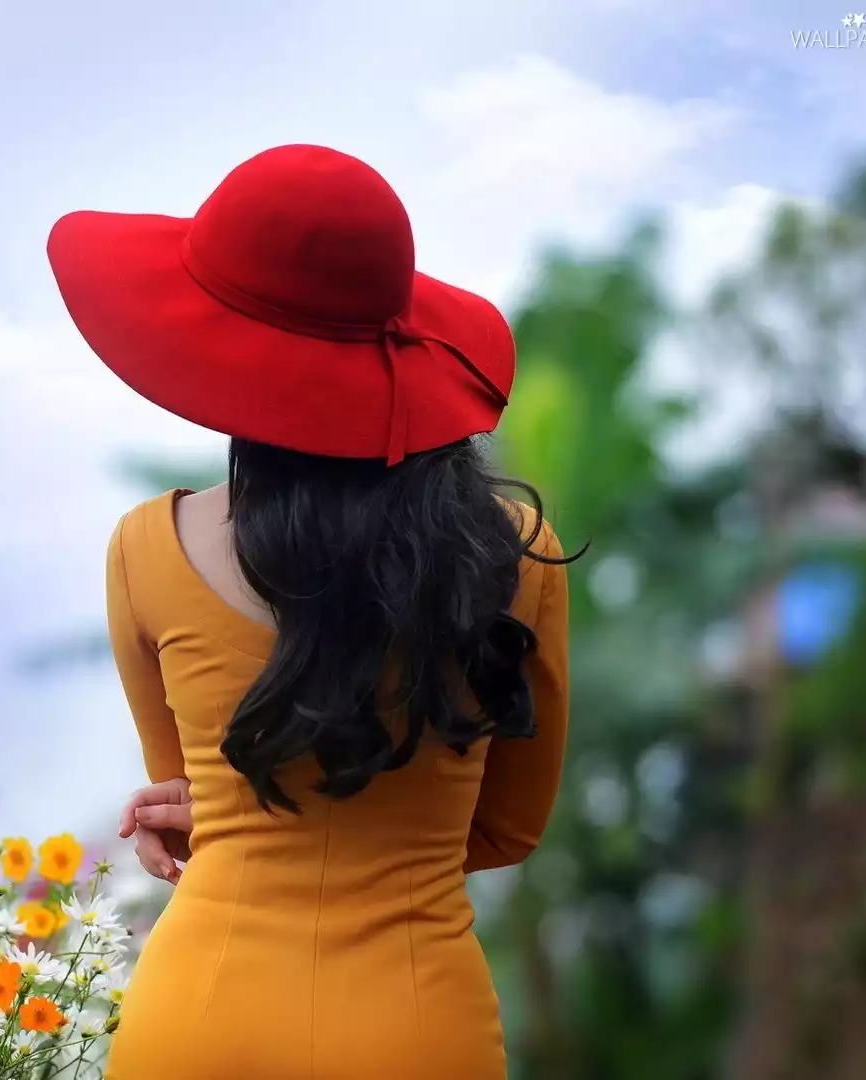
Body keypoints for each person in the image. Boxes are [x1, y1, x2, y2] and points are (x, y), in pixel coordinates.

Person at [47, 145, 576, 1079]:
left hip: (199, 1022)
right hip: (419, 1028)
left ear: (212, 345)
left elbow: (203, 808)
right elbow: (507, 829)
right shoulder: (514, 555)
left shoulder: (146, 549)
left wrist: (228, 812)